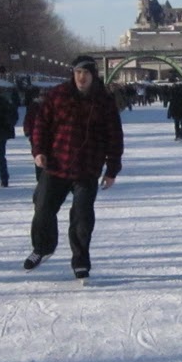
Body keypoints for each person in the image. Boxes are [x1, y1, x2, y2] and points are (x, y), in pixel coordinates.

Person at [25, 56, 124, 281]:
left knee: (81, 218)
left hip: (87, 168)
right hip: (56, 164)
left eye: (85, 73)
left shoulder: (104, 101)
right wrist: (38, 150)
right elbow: (40, 124)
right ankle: (43, 247)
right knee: (42, 208)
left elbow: (114, 136)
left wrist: (112, 169)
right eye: (77, 73)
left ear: (93, 75)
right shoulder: (58, 95)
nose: (81, 77)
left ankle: (80, 261)